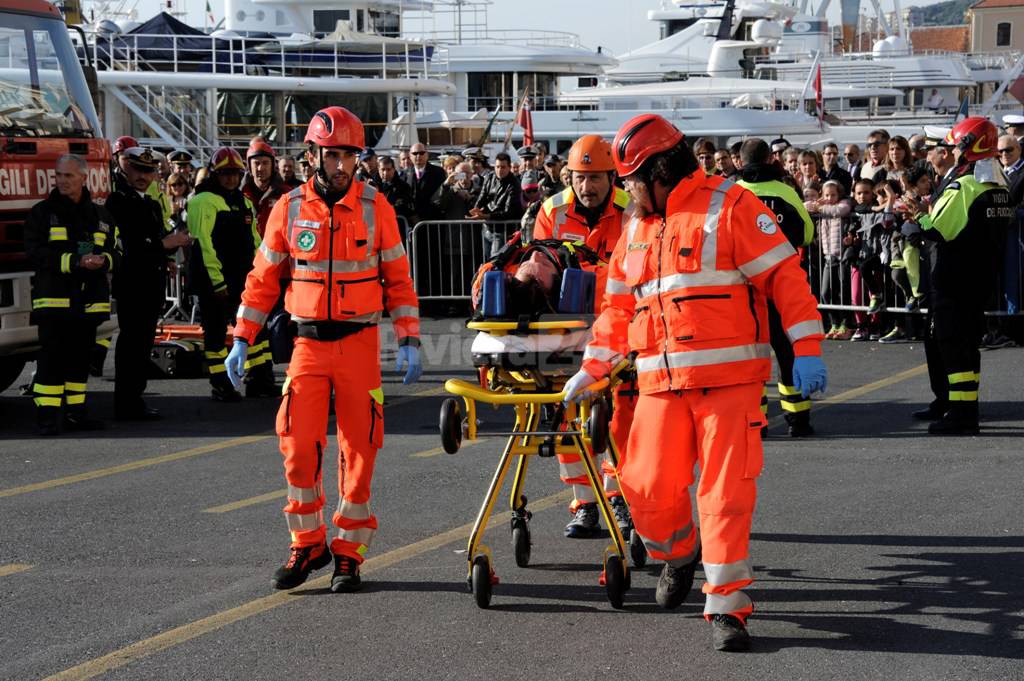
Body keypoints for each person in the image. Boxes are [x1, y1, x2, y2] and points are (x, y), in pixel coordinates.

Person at [563, 113, 826, 651]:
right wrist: (593, 367)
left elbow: (784, 275)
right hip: (659, 385)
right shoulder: (636, 226)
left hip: (729, 386)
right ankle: (678, 556)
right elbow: (617, 306)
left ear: (660, 170)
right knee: (644, 488)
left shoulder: (730, 206)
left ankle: (727, 606)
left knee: (724, 497)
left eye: (633, 180)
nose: (627, 191)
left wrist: (806, 347)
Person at [226, 106, 422, 593]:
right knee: (296, 444)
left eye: (348, 156)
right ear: (312, 155)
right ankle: (307, 542)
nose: (340, 165)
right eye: (331, 155)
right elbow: (262, 280)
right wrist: (240, 338)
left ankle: (349, 552)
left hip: (358, 345)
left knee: (359, 451)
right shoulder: (288, 208)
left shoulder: (377, 208)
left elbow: (398, 280)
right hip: (307, 346)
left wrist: (410, 338)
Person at [530, 134, 637, 539]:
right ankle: (584, 504)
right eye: (579, 178)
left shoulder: (632, 211)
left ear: (612, 177)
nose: (586, 187)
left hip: (619, 330)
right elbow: (538, 265)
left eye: (594, 178)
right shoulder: (552, 212)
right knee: (566, 422)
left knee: (619, 422)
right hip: (566, 331)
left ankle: (618, 499)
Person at [902, 117, 1013, 434]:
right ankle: (960, 407)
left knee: (952, 345)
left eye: (951, 145)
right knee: (965, 345)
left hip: (954, 280)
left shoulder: (964, 187)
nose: (948, 151)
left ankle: (963, 414)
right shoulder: (997, 185)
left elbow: (939, 230)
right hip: (978, 279)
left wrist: (918, 215)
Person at [24, 154, 116, 435]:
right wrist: (75, 261)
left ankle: (76, 413)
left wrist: (105, 261)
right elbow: (35, 252)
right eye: (59, 175)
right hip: (54, 302)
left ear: (83, 178)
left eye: (69, 176)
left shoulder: (100, 216)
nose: (62, 181)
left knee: (79, 360)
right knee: (51, 361)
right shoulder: (42, 213)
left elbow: (118, 251)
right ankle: (47, 418)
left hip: (87, 303)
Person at [737, 139, 818, 437]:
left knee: (752, 358)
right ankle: (798, 420)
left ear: (739, 162)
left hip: (745, 291)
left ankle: (756, 423)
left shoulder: (733, 194)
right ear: (771, 159)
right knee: (788, 355)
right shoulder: (785, 191)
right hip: (782, 287)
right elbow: (807, 233)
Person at [107, 147, 191, 420]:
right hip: (132, 281)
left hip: (150, 281)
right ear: (126, 169)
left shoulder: (150, 204)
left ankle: (134, 398)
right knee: (132, 343)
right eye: (137, 170)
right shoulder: (119, 202)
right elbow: (130, 247)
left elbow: (153, 241)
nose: (142, 176)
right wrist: (164, 245)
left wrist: (165, 254)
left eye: (148, 170)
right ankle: (126, 402)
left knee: (142, 344)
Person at [188, 147, 272, 400]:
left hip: (244, 279)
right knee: (214, 333)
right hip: (215, 280)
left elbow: (255, 241)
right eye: (225, 174)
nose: (231, 179)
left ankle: (260, 379)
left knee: (255, 329)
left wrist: (263, 271)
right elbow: (203, 244)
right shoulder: (202, 201)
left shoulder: (243, 201)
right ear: (214, 174)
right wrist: (217, 282)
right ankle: (221, 384)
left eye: (235, 173)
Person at [470, 152, 523, 255]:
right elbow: (482, 196)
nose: (499, 170)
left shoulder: (514, 184)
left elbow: (508, 211)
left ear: (509, 167)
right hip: (487, 227)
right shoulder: (490, 177)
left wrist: (486, 215)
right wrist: (476, 209)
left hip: (502, 230)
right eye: (497, 167)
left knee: (495, 262)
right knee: (486, 262)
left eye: (503, 167)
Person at [242, 139, 290, 238]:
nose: (260, 168)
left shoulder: (286, 195)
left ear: (272, 165)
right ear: (249, 166)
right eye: (256, 163)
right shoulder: (239, 195)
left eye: (265, 163)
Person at [404, 142, 445, 221]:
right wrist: (412, 215)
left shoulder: (438, 172)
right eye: (415, 153)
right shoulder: (404, 174)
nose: (418, 156)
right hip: (412, 221)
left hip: (433, 220)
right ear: (410, 156)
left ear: (427, 154)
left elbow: (441, 195)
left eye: (422, 153)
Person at [378, 156, 416, 233]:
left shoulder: (403, 186)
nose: (385, 173)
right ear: (378, 170)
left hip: (398, 227)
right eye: (383, 170)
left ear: (394, 170)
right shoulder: (374, 185)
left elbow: (404, 205)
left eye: (388, 169)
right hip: (379, 228)